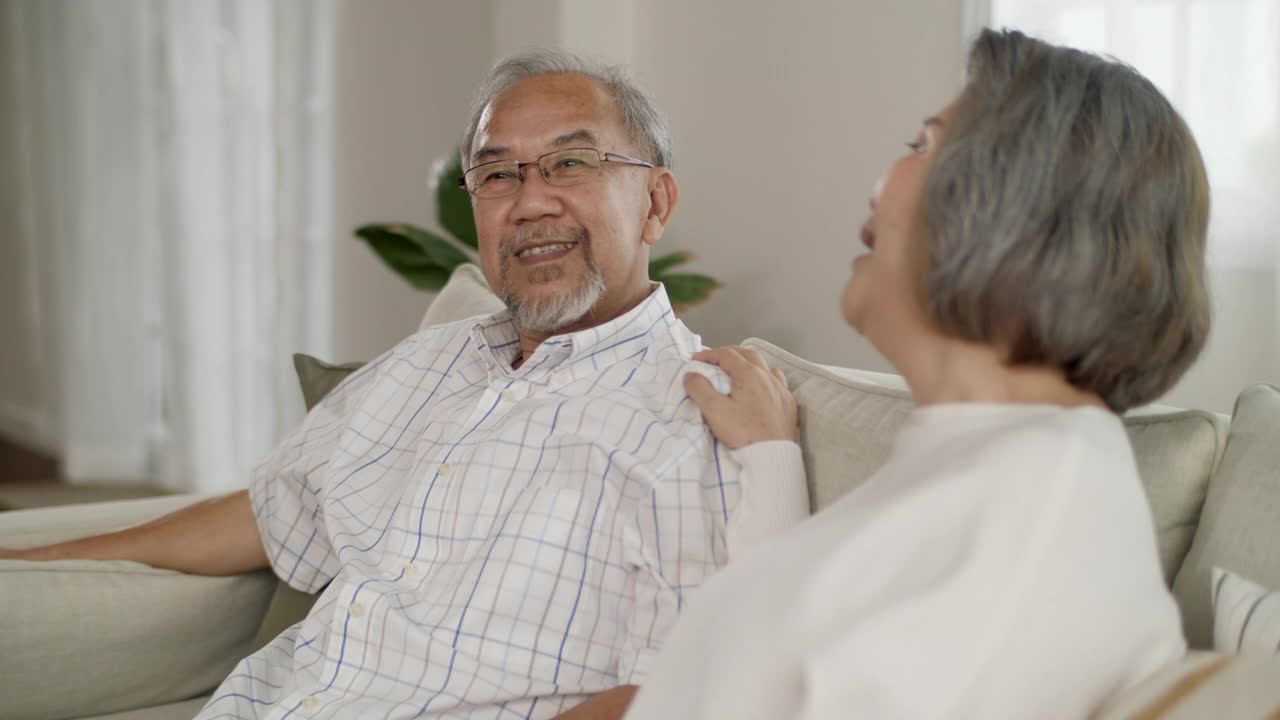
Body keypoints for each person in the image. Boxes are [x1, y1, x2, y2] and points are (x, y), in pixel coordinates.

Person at [0, 50, 808, 719]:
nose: (530, 202)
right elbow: (272, 511)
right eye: (497, 176)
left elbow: (677, 692)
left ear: (656, 201)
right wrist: (46, 554)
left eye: (572, 162)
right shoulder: (431, 361)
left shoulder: (702, 412)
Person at [624, 28, 1210, 720]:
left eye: (923, 146)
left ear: (1019, 207)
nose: (882, 180)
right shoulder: (999, 467)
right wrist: (770, 456)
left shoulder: (1038, 514)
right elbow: (822, 628)